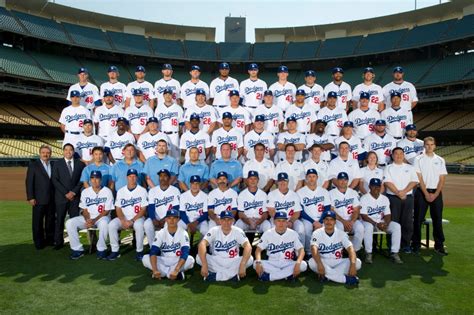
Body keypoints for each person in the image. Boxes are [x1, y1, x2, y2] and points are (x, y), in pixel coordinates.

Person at [65, 170, 113, 260]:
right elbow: (84, 209)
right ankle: (77, 249)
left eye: (97, 178)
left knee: (104, 223)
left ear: (101, 180)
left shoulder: (107, 191)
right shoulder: (85, 192)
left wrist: (94, 220)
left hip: (102, 217)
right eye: (92, 178)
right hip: (89, 218)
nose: (95, 181)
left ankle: (101, 249)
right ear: (90, 180)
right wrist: (88, 219)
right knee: (70, 223)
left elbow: (106, 210)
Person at [412, 137, 448, 255]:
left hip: (436, 192)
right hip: (422, 192)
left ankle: (439, 245)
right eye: (427, 144)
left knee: (437, 219)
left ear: (435, 146)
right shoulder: (418, 159)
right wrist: (426, 193)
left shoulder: (440, 160)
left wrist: (436, 193)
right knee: (418, 219)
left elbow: (442, 179)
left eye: (432, 144)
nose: (429, 146)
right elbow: (419, 178)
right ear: (424, 146)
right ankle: (416, 244)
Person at [197, 210, 253, 282]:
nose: (226, 222)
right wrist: (204, 265)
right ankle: (232, 275)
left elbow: (248, 246)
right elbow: (202, 244)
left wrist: (242, 264)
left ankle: (215, 276)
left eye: (229, 220)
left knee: (250, 259)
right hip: (217, 260)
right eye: (224, 220)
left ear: (233, 220)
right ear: (220, 221)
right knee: (198, 257)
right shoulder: (214, 230)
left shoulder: (238, 231)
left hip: (232, 261)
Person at [308, 210, 361, 285]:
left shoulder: (341, 233)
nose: (329, 222)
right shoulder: (317, 233)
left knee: (357, 263)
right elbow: (314, 249)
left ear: (335, 222)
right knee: (312, 262)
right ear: (323, 221)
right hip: (323, 261)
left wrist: (352, 264)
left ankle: (327, 276)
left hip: (338, 261)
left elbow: (351, 249)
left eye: (331, 219)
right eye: (326, 219)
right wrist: (319, 264)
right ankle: (345, 279)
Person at [383, 147, 419, 253]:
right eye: (396, 154)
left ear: (403, 155)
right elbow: (387, 182)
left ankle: (406, 244)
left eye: (401, 154)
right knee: (393, 222)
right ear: (392, 156)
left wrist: (404, 192)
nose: (398, 156)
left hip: (407, 198)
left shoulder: (410, 167)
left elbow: (414, 181)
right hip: (393, 198)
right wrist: (398, 193)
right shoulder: (388, 168)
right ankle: (392, 245)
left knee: (407, 222)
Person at [254, 211, 307, 281]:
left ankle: (269, 277)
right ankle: (287, 275)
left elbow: (301, 250)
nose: (281, 223)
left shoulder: (293, 233)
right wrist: (258, 262)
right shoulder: (267, 233)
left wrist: (298, 262)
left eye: (283, 221)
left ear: (287, 222)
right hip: (272, 263)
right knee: (255, 264)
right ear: (274, 222)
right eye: (278, 221)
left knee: (303, 265)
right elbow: (258, 250)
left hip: (288, 263)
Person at [142, 209, 195, 280]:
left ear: (178, 219)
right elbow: (153, 251)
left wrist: (176, 269)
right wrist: (155, 269)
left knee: (190, 260)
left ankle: (163, 273)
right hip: (164, 260)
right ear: (166, 219)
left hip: (177, 260)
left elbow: (185, 253)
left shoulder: (183, 233)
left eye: (174, 218)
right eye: (169, 218)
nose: (172, 220)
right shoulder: (161, 233)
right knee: (145, 258)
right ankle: (172, 274)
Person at [107, 168, 148, 261]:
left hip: (137, 218)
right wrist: (122, 220)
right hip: (124, 218)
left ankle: (139, 251)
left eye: (134, 176)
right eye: (130, 176)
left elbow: (143, 209)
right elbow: (118, 208)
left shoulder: (142, 190)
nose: (132, 178)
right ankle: (115, 251)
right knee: (112, 224)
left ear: (137, 177)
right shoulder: (121, 191)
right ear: (127, 177)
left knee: (139, 225)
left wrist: (132, 220)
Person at [360, 178, 403, 264]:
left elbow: (387, 214)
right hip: (368, 223)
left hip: (382, 223)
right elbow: (364, 216)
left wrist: (386, 224)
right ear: (369, 187)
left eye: (378, 186)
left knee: (396, 226)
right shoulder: (364, 198)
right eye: (374, 186)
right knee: (368, 227)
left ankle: (394, 253)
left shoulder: (385, 199)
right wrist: (376, 224)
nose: (376, 188)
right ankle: (368, 253)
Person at [51, 143, 85, 250]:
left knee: (74, 221)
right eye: (66, 150)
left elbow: (81, 180)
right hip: (61, 197)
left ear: (73, 151)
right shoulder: (57, 164)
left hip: (75, 198)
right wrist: (66, 193)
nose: (68, 152)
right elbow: (55, 180)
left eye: (70, 150)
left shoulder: (80, 164)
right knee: (60, 220)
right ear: (63, 151)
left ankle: (74, 243)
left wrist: (73, 192)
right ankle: (58, 242)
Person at [25, 144, 55, 250]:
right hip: (38, 199)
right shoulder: (34, 165)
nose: (45, 154)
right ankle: (39, 242)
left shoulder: (53, 164)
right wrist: (31, 197)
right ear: (40, 153)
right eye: (43, 153)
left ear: (50, 154)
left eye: (47, 153)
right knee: (37, 222)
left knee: (50, 221)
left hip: (51, 199)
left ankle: (50, 240)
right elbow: (29, 182)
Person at [298, 169, 331, 254]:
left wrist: (320, 221)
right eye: (309, 176)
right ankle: (308, 252)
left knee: (328, 227)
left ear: (317, 178)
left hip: (322, 218)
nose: (311, 179)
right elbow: (300, 211)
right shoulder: (300, 192)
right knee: (307, 228)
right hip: (307, 219)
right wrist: (313, 222)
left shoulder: (324, 191)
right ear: (306, 178)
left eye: (313, 176)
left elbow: (327, 208)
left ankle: (326, 250)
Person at [145, 169, 181, 248]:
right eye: (160, 176)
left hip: (170, 217)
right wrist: (154, 219)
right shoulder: (152, 191)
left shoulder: (175, 190)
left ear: (169, 178)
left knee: (168, 225)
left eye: (165, 176)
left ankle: (166, 248)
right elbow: (151, 207)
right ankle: (153, 247)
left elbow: (176, 208)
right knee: (147, 224)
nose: (162, 178)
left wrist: (165, 219)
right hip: (156, 217)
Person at [329, 172, 363, 252]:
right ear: (337, 181)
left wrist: (352, 221)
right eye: (341, 180)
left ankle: (354, 251)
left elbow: (356, 209)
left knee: (360, 228)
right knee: (339, 228)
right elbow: (331, 210)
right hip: (338, 220)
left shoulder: (353, 192)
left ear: (348, 181)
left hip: (351, 219)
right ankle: (339, 250)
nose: (343, 182)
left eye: (345, 180)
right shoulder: (331, 193)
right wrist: (343, 221)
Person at [267, 173, 304, 244]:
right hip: (276, 219)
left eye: (285, 181)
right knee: (271, 228)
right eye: (280, 181)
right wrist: (281, 222)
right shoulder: (271, 194)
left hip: (291, 219)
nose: (282, 183)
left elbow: (297, 212)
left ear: (288, 182)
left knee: (301, 228)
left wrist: (291, 221)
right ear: (277, 182)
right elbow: (271, 211)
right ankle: (273, 250)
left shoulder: (294, 195)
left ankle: (301, 250)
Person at [154, 88, 183, 159]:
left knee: (176, 158)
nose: (168, 96)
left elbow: (182, 124)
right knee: (162, 156)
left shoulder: (178, 108)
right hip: (162, 134)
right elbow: (155, 123)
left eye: (169, 94)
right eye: (166, 94)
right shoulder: (159, 108)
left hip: (174, 135)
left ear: (172, 96)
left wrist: (180, 134)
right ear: (163, 96)